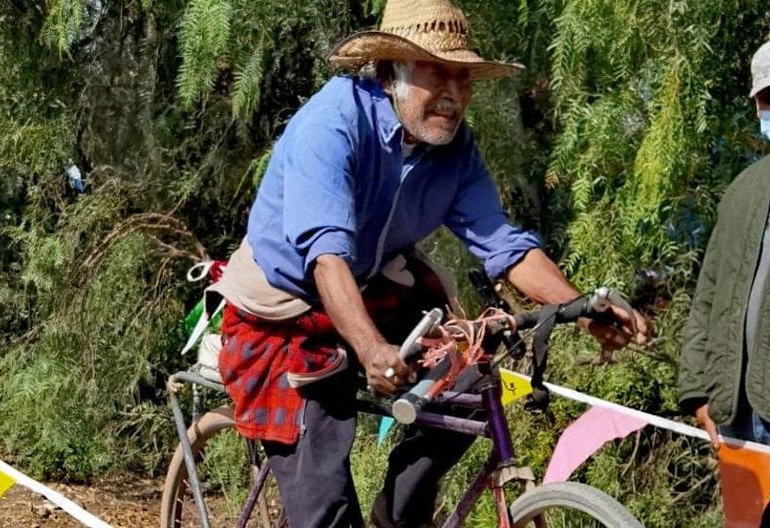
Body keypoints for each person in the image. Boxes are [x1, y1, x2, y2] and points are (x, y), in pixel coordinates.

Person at [208, 0, 650, 526]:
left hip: (371, 290)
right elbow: (326, 258)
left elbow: (504, 247)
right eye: (436, 73)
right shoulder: (332, 125)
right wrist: (372, 350)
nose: (454, 94)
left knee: (470, 379)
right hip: (286, 313)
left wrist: (583, 307)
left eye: (463, 79)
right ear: (389, 72)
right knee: (324, 500)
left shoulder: (455, 149)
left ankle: (397, 516)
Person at [679, 39, 770, 448]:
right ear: (756, 107)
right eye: (768, 98)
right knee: (744, 499)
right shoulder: (742, 190)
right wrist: (698, 391)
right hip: (735, 414)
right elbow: (708, 295)